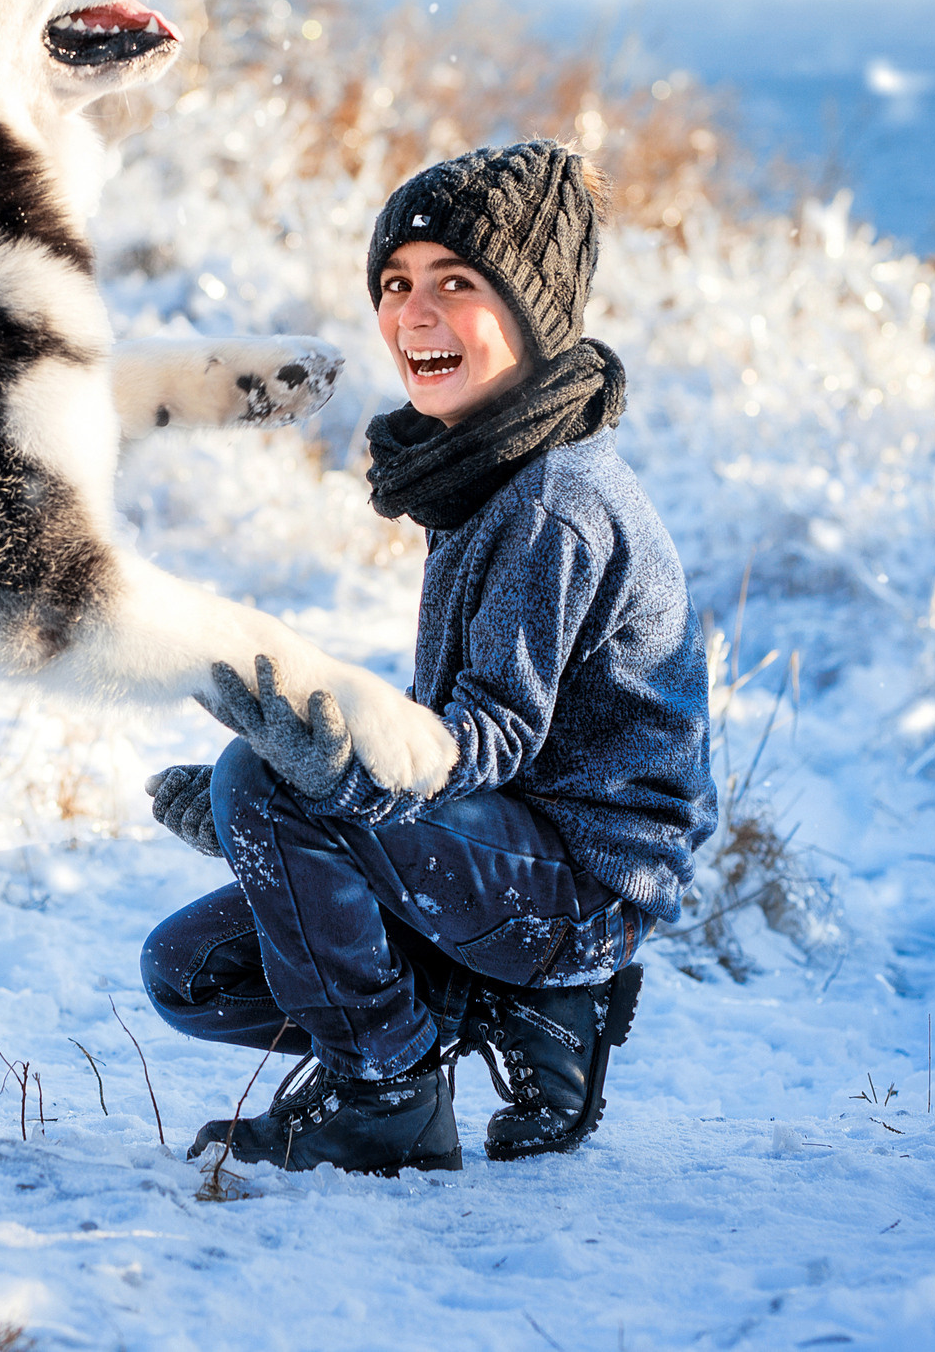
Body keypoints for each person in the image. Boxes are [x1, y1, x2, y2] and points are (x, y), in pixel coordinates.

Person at [139, 139, 716, 1176]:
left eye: (457, 283)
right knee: (190, 971)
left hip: (583, 880)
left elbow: (483, 738)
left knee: (263, 782)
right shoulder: (486, 474)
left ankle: (388, 1092)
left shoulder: (554, 504)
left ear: (536, 313)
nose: (413, 313)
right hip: (515, 854)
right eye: (396, 284)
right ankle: (529, 1010)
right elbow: (453, 732)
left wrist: (295, 782)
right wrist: (256, 817)